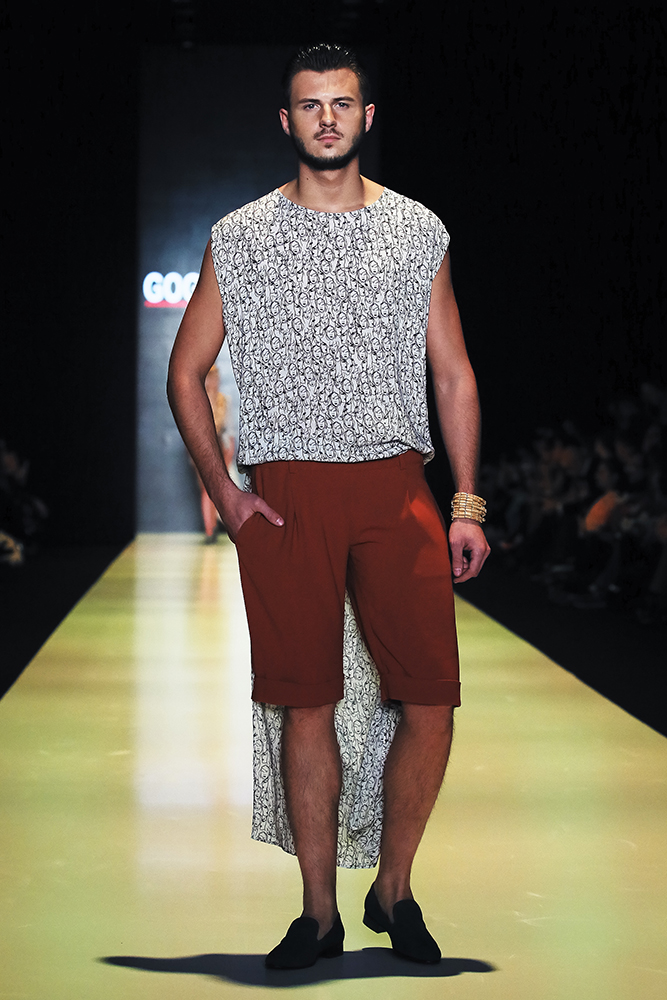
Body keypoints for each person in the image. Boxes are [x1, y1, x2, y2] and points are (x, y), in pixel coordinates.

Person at [167, 43, 490, 970]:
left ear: (366, 116)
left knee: (430, 698)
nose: (325, 118)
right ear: (286, 120)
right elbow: (185, 373)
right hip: (287, 494)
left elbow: (452, 372)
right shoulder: (239, 235)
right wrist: (227, 495)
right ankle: (318, 914)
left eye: (341, 103)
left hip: (396, 486)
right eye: (309, 105)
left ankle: (394, 889)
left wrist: (465, 503)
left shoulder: (417, 229)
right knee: (303, 703)